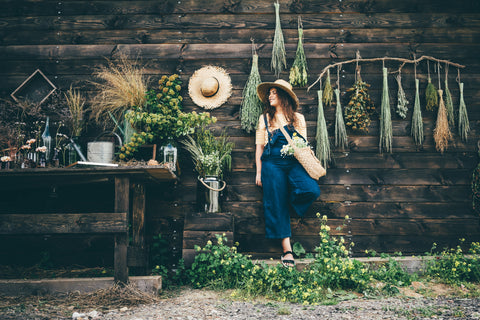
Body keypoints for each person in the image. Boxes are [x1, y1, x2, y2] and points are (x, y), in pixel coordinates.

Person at [255, 79, 321, 267]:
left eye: (275, 92)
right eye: (269, 93)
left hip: (293, 162)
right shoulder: (264, 119)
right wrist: (259, 171)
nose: (270, 95)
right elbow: (259, 147)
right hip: (271, 163)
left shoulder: (298, 119)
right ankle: (287, 251)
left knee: (311, 190)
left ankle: (284, 203)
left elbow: (303, 146)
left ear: (284, 96)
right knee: (276, 203)